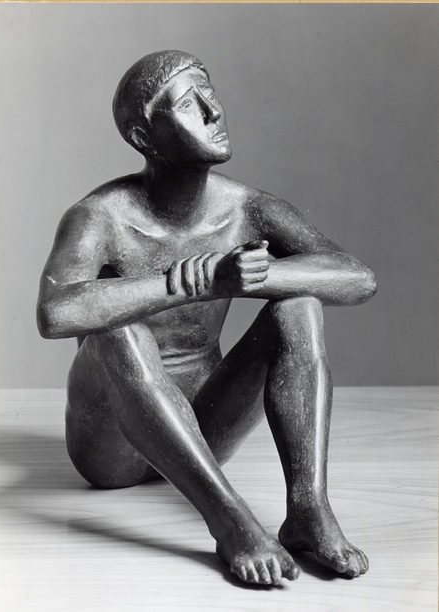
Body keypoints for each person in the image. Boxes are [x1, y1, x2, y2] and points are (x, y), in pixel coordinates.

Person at [37, 50, 376, 586]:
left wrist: (256, 277)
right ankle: (230, 519)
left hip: (204, 430)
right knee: (115, 327)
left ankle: (308, 508)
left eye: (210, 94)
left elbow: (357, 278)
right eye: (188, 104)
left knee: (299, 304)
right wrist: (190, 283)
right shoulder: (100, 215)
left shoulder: (245, 208)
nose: (214, 112)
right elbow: (57, 312)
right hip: (112, 452)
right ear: (144, 137)